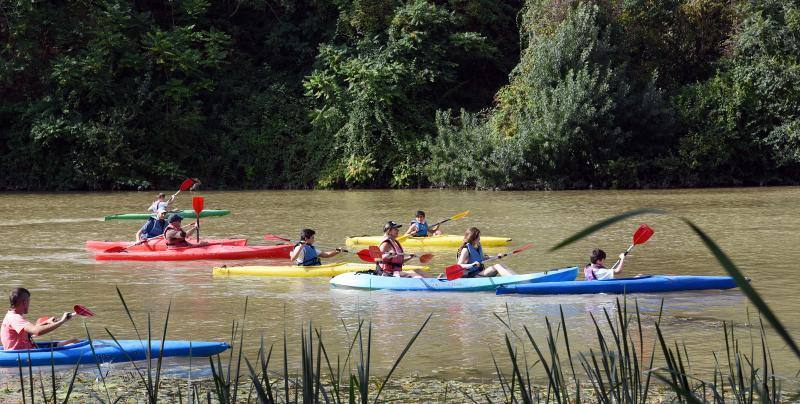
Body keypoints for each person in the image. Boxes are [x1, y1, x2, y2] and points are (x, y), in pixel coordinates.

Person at [1, 288, 79, 350]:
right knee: (75, 343)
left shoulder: (11, 316)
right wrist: (62, 321)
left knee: (74, 341)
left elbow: (28, 333)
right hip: (23, 355)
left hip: (26, 350)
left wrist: (47, 322)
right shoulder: (15, 318)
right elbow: (37, 331)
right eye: (29, 301)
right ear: (25, 302)